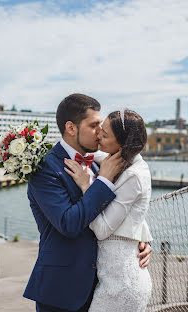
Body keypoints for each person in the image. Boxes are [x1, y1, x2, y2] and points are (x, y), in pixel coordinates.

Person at [23, 94, 152, 312]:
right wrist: (102, 182)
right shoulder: (44, 169)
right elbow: (68, 223)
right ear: (71, 128)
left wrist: (142, 239)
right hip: (62, 290)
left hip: (102, 286)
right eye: (93, 126)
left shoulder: (99, 162)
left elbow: (126, 204)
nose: (100, 132)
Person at [64, 109, 153, 312]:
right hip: (111, 280)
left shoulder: (134, 175)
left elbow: (102, 230)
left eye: (104, 134)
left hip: (121, 286)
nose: (98, 136)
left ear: (122, 143)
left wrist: (87, 187)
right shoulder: (117, 161)